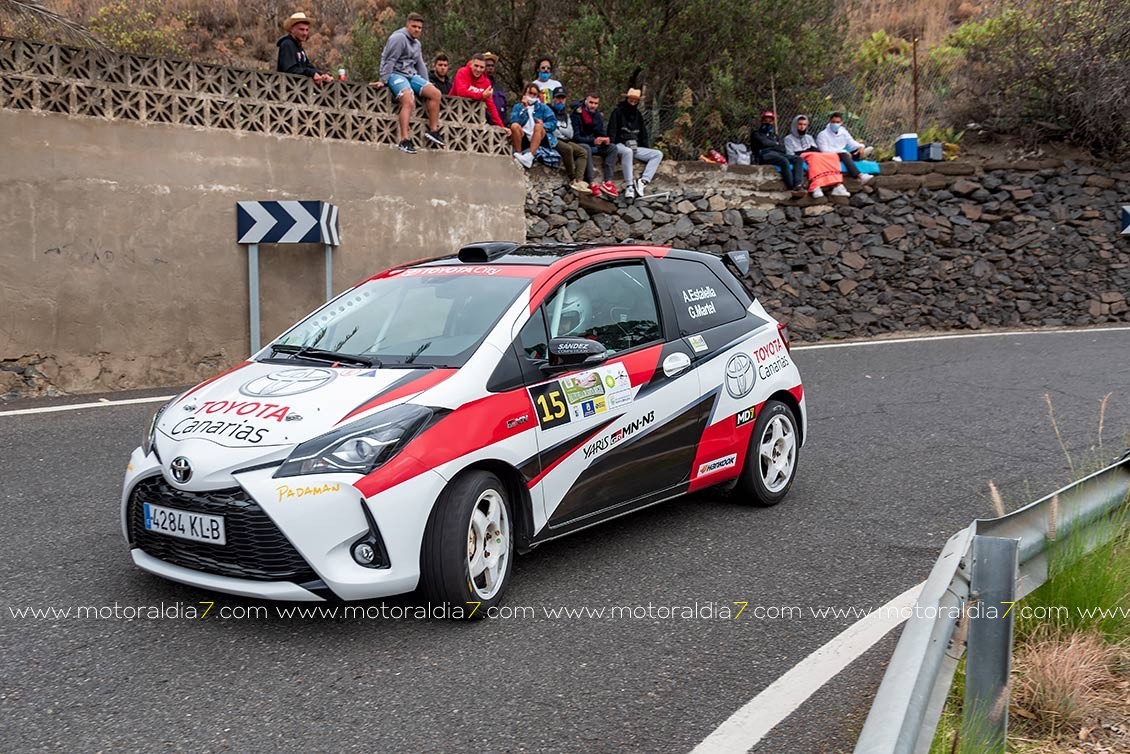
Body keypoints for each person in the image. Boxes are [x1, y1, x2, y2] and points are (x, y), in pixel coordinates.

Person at [375, 12, 444, 154]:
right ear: (407, 25)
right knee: (408, 100)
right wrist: (384, 80)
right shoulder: (398, 38)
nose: (417, 30)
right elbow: (389, 60)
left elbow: (420, 64)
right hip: (396, 73)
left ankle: (433, 131)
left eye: (419, 27)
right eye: (414, 26)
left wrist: (427, 83)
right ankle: (404, 140)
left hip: (411, 75)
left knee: (435, 94)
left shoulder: (417, 44)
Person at [607, 88, 663, 200]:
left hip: (635, 146)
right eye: (631, 100)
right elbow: (611, 131)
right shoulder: (617, 112)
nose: (633, 102)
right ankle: (629, 186)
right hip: (620, 144)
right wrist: (612, 150)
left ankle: (643, 181)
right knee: (627, 152)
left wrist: (645, 149)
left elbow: (643, 134)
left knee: (658, 154)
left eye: (635, 101)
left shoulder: (638, 115)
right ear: (627, 98)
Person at [571, 93, 618, 197]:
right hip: (582, 144)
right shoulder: (576, 115)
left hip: (595, 144)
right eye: (591, 102)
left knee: (613, 148)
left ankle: (608, 182)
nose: (593, 105)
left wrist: (605, 139)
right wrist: (593, 140)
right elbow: (575, 136)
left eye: (596, 103)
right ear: (585, 101)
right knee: (586, 148)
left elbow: (600, 132)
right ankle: (591, 182)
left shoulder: (597, 116)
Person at [750, 110, 806, 198]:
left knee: (798, 159)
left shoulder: (775, 136)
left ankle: (798, 184)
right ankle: (792, 187)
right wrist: (774, 144)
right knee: (783, 161)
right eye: (766, 120)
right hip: (764, 155)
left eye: (770, 121)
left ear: (773, 122)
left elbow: (782, 149)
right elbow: (763, 143)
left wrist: (772, 144)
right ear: (761, 121)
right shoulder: (756, 134)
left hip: (777, 153)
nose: (768, 123)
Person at [550, 87, 591, 194]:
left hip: (565, 139)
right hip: (552, 139)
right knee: (568, 149)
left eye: (562, 98)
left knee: (582, 152)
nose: (560, 101)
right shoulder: (549, 111)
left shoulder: (565, 115)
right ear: (553, 98)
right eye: (558, 98)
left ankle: (579, 180)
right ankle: (572, 179)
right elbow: (552, 130)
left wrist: (560, 130)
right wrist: (562, 131)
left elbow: (570, 133)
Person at [816, 112, 873, 189]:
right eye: (833, 122)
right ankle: (860, 176)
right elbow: (824, 151)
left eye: (838, 122)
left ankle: (861, 154)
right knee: (844, 154)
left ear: (841, 123)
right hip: (830, 157)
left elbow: (852, 143)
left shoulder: (843, 132)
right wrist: (842, 151)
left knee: (856, 150)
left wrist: (861, 146)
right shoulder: (822, 135)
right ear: (829, 122)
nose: (835, 124)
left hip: (843, 154)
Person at [509, 82, 558, 169]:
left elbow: (553, 123)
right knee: (514, 126)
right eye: (530, 93)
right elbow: (514, 120)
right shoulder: (518, 107)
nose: (531, 96)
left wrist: (544, 124)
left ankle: (530, 156)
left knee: (538, 126)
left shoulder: (543, 108)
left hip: (539, 136)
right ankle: (518, 154)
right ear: (525, 93)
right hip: (524, 136)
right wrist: (524, 109)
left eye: (534, 94)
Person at [276, 12, 333, 85]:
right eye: (301, 29)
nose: (305, 33)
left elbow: (307, 65)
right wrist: (311, 73)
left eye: (307, 30)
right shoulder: (287, 44)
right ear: (292, 29)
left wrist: (322, 75)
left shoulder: (299, 47)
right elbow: (289, 70)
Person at [449, 54, 505, 127]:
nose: (478, 69)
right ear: (471, 64)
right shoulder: (462, 72)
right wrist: (482, 95)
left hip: (474, 118)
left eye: (481, 67)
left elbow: (491, 105)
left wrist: (501, 126)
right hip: (453, 111)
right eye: (476, 66)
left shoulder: (486, 82)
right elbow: (461, 92)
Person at [482, 52, 508, 125]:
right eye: (488, 66)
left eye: (492, 66)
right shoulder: (480, 84)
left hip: (500, 123)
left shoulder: (498, 85)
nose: (490, 68)